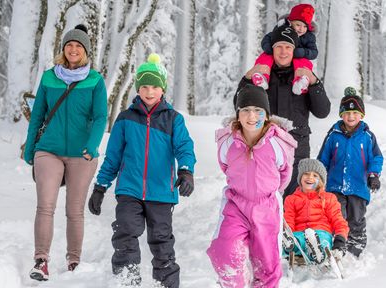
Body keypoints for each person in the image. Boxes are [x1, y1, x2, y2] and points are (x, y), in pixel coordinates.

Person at [87, 53, 196, 288]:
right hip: (129, 190)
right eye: (144, 86)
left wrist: (186, 171)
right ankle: (127, 281)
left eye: (155, 86)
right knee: (125, 233)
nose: (149, 91)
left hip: (161, 192)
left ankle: (167, 284)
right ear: (138, 88)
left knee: (162, 243)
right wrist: (100, 186)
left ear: (163, 88)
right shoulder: (125, 119)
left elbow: (184, 147)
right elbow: (113, 157)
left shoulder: (173, 119)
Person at [24, 24, 108, 281]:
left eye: (78, 46)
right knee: (45, 206)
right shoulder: (50, 77)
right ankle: (41, 260)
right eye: (69, 45)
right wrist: (31, 149)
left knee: (74, 210)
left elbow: (100, 116)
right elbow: (37, 114)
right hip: (48, 150)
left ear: (85, 52)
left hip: (81, 154)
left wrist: (92, 146)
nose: (73, 49)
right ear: (63, 49)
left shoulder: (95, 80)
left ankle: (73, 260)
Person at [207, 85, 297, 287]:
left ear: (266, 115)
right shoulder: (228, 142)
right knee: (224, 251)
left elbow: (285, 174)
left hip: (266, 207)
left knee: (267, 263)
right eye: (246, 110)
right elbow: (225, 167)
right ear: (238, 114)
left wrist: (267, 192)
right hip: (235, 205)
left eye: (258, 110)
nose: (252, 116)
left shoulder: (277, 144)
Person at [235, 23, 331, 200]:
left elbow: (323, 111)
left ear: (295, 49)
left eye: (288, 47)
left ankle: (290, 229)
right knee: (265, 199)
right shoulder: (260, 76)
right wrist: (247, 78)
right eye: (279, 46)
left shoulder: (303, 76)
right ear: (272, 49)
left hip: (297, 147)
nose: (283, 51)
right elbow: (239, 107)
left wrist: (315, 83)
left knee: (294, 200)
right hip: (264, 146)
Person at [317, 87, 384, 257]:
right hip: (335, 185)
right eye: (347, 113)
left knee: (356, 218)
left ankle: (355, 245)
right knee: (337, 215)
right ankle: (337, 245)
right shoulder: (333, 135)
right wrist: (318, 176)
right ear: (341, 114)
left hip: (358, 186)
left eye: (355, 113)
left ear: (361, 115)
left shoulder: (367, 136)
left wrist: (373, 175)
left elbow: (376, 158)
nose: (351, 116)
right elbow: (323, 158)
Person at [283, 158, 349, 263]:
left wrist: (340, 240)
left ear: (321, 181)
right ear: (300, 177)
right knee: (296, 239)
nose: (310, 177)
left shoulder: (328, 198)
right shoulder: (291, 199)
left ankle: (317, 251)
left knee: (322, 239)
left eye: (315, 175)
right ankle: (289, 244)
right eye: (306, 174)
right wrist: (288, 233)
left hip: (321, 232)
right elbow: (289, 220)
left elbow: (338, 220)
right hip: (300, 234)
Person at [251, 3, 318, 95]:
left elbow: (314, 52)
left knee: (303, 62)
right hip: (280, 55)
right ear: (290, 22)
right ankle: (262, 76)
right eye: (298, 25)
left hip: (298, 57)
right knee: (266, 57)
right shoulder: (282, 29)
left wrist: (302, 52)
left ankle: (301, 81)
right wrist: (269, 49)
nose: (301, 29)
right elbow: (268, 37)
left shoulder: (309, 36)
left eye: (305, 26)